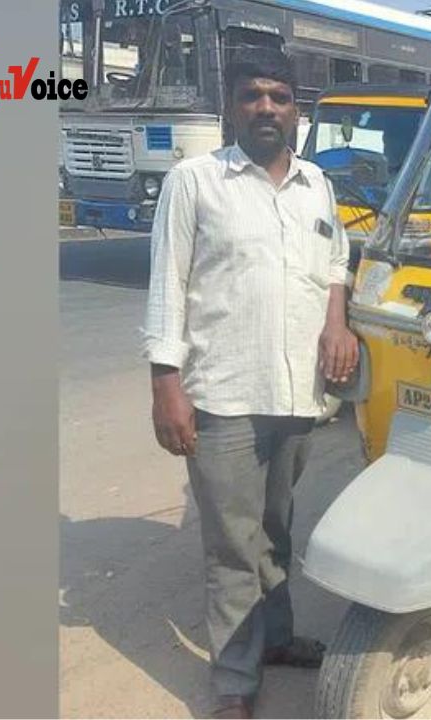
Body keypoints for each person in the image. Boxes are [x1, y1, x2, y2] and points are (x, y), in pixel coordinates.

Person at [142, 48, 358, 719]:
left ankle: (277, 638)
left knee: (275, 529)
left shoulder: (317, 184)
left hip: (296, 397)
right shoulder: (195, 181)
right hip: (224, 396)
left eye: (280, 96)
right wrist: (165, 384)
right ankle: (235, 680)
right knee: (233, 547)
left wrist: (338, 322)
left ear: (298, 108)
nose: (267, 107)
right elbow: (167, 286)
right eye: (253, 95)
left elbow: (335, 259)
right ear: (230, 105)